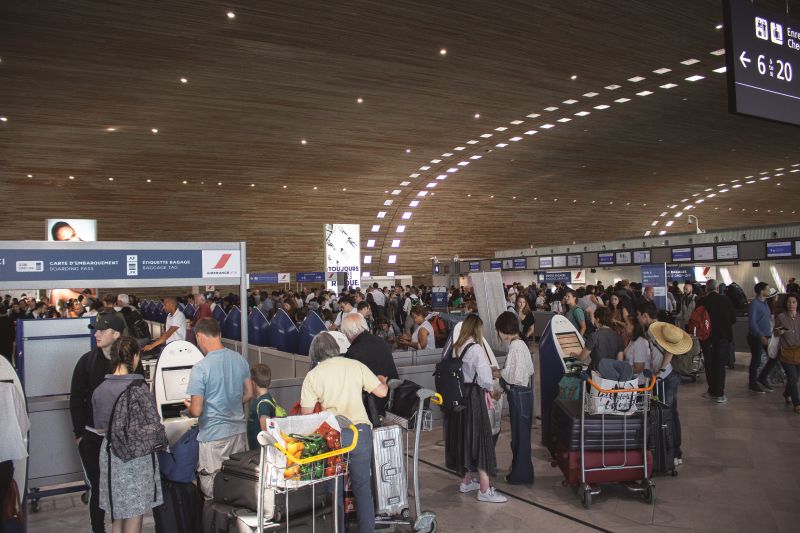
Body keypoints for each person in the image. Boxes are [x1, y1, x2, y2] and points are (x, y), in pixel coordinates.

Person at [302, 332, 388, 533]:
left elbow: (307, 414)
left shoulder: (313, 375)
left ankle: (337, 529)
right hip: (360, 432)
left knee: (334, 490)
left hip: (333, 435)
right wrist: (382, 380)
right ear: (335, 347)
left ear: (315, 351)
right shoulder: (355, 365)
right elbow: (382, 392)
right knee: (362, 487)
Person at [92, 337, 162, 533]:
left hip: (110, 456)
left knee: (117, 513)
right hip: (136, 457)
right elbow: (152, 424)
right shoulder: (139, 388)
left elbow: (99, 427)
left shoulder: (99, 390)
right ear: (136, 357)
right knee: (134, 513)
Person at [184, 318, 253, 499]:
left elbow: (197, 411)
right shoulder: (240, 360)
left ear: (198, 337)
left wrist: (188, 408)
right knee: (237, 485)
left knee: (213, 490)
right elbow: (249, 393)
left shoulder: (200, 368)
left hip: (213, 437)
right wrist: (230, 403)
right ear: (219, 334)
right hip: (238, 434)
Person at [69, 314, 126, 533]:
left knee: (120, 489)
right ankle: (97, 528)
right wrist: (80, 434)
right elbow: (75, 398)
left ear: (116, 334)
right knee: (98, 487)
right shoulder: (86, 361)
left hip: (121, 440)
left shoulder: (127, 362)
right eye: (96, 330)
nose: (96, 334)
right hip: (92, 438)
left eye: (102, 330)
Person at [450, 314, 506, 503]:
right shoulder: (476, 349)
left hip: (461, 396)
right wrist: (494, 391)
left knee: (467, 438)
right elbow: (484, 378)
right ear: (477, 329)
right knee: (482, 438)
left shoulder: (458, 347)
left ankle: (466, 481)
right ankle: (484, 488)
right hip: (475, 397)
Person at [638, 302, 685, 465]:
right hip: (670, 375)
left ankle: (671, 454)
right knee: (672, 414)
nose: (638, 319)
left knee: (667, 415)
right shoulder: (660, 327)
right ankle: (675, 453)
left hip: (665, 377)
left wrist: (660, 372)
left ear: (645, 315)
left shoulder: (653, 330)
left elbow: (669, 351)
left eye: (639, 315)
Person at [494, 311, 534, 485]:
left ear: (504, 330)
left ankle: (520, 475)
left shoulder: (516, 346)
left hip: (518, 395)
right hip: (524, 394)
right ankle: (523, 472)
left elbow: (514, 376)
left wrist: (498, 373)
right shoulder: (521, 344)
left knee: (519, 438)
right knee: (521, 437)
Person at [342, 313, 399, 416]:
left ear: (348, 333)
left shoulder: (354, 352)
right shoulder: (381, 341)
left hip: (371, 406)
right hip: (393, 398)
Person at [698, 279, 736, 403]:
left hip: (707, 339)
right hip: (723, 338)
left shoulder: (702, 301)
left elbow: (697, 321)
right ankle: (720, 393)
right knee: (720, 364)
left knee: (709, 364)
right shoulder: (726, 300)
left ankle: (712, 390)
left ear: (706, 289)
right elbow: (733, 319)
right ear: (717, 288)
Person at [747, 282, 778, 394]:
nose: (769, 291)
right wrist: (761, 335)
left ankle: (762, 377)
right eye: (767, 289)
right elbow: (752, 323)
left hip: (767, 336)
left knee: (774, 357)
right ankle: (752, 383)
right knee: (756, 360)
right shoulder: (754, 304)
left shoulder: (765, 303)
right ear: (761, 291)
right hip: (756, 337)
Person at [774, 294, 800, 414]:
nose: (791, 304)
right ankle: (797, 403)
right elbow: (775, 331)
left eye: (794, 302)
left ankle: (786, 393)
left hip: (799, 351)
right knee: (792, 377)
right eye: (789, 302)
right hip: (786, 352)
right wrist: (780, 331)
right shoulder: (781, 317)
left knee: (795, 378)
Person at [247, 364, 278, 450]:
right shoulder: (265, 399)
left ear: (253, 382)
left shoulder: (263, 404)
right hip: (257, 451)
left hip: (260, 452)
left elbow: (265, 432)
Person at [623, 317, 650, 384]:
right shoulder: (633, 340)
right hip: (631, 380)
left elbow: (639, 368)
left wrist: (622, 368)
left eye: (627, 324)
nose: (624, 326)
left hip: (638, 382)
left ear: (634, 327)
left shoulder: (640, 342)